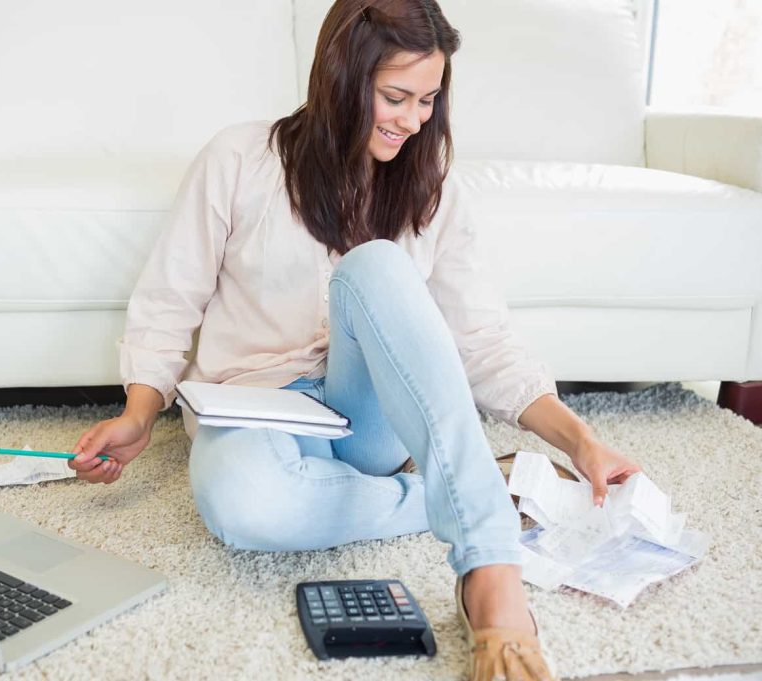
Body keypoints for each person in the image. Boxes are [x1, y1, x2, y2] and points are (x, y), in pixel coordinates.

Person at [69, 1, 641, 679]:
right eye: (395, 97)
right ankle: (470, 484)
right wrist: (139, 412)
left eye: (428, 100)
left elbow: (483, 341)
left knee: (374, 264)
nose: (413, 119)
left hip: (369, 423)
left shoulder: (434, 190)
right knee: (243, 506)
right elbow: (169, 299)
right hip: (256, 412)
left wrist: (580, 439)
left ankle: (489, 563)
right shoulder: (238, 158)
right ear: (341, 76)